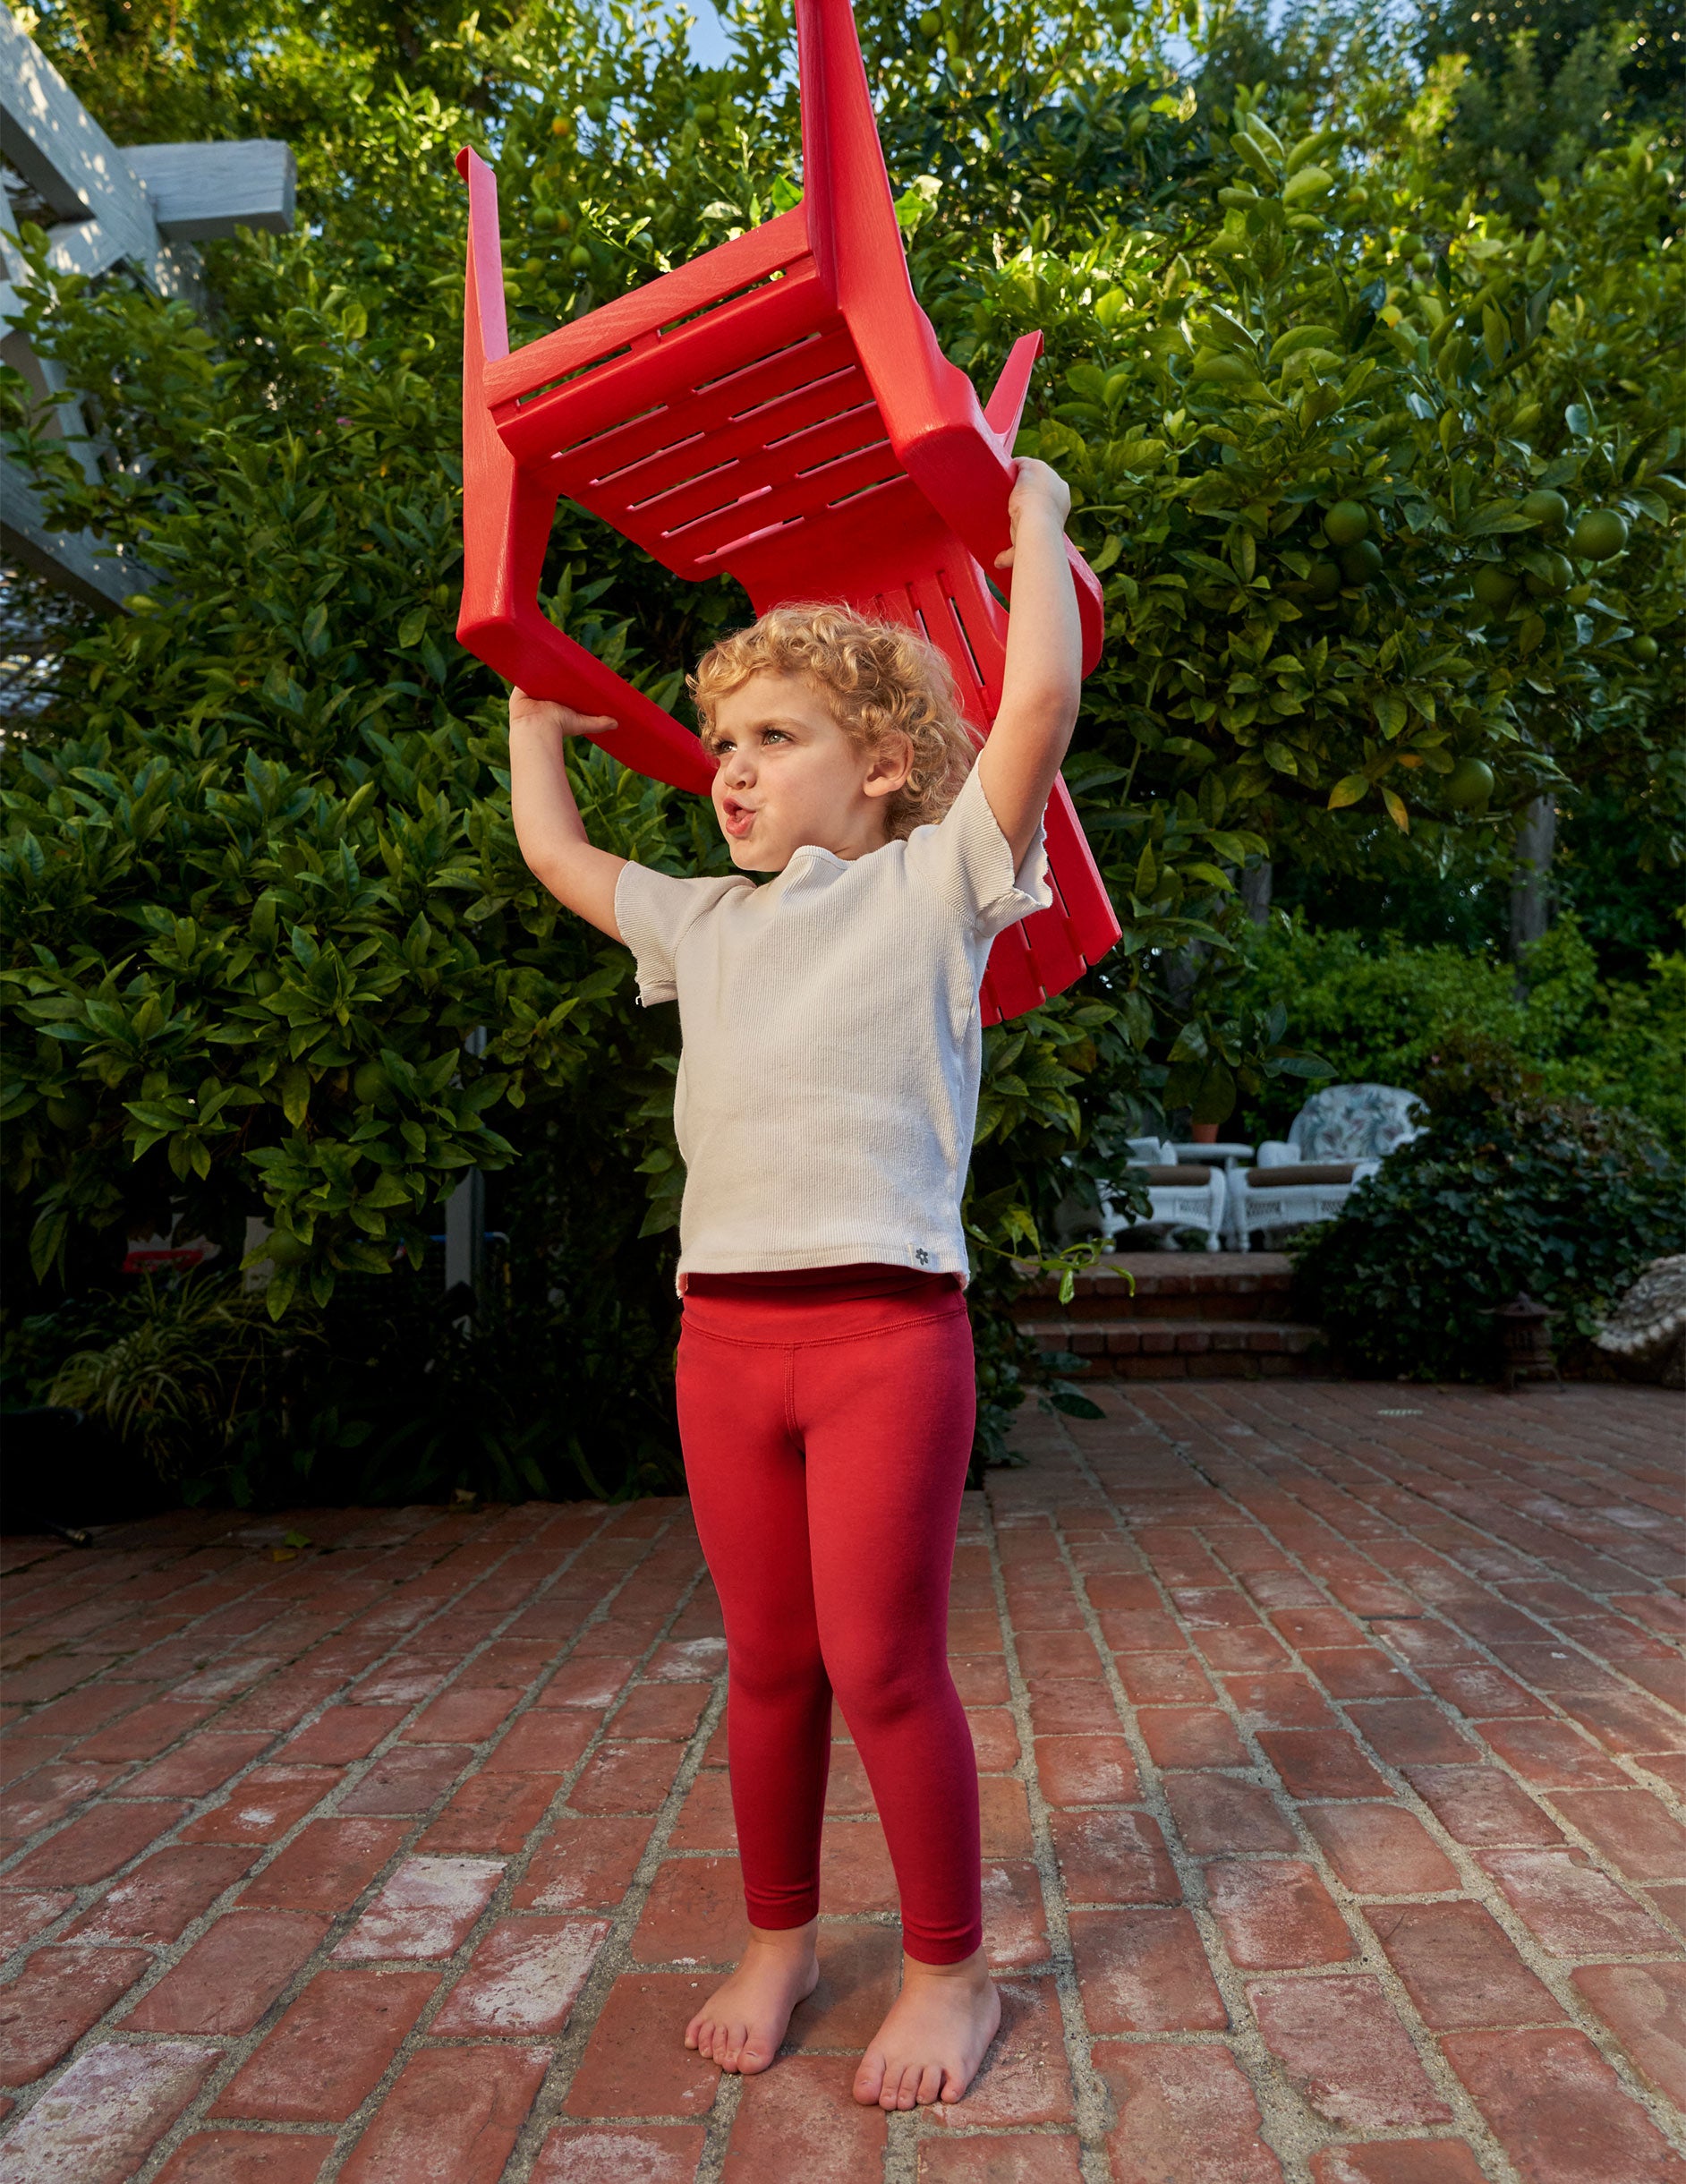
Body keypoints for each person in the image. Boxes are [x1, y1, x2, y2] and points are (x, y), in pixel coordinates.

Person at [506, 456, 1083, 2109]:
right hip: (725, 1349)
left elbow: (1034, 693)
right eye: (723, 744)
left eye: (775, 739)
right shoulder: (703, 921)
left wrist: (1031, 524)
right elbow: (559, 857)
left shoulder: (937, 887)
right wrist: (538, 730)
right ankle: (779, 1941)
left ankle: (948, 1973)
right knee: (767, 1666)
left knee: (883, 1664)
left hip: (886, 1339)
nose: (729, 772)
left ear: (882, 765)